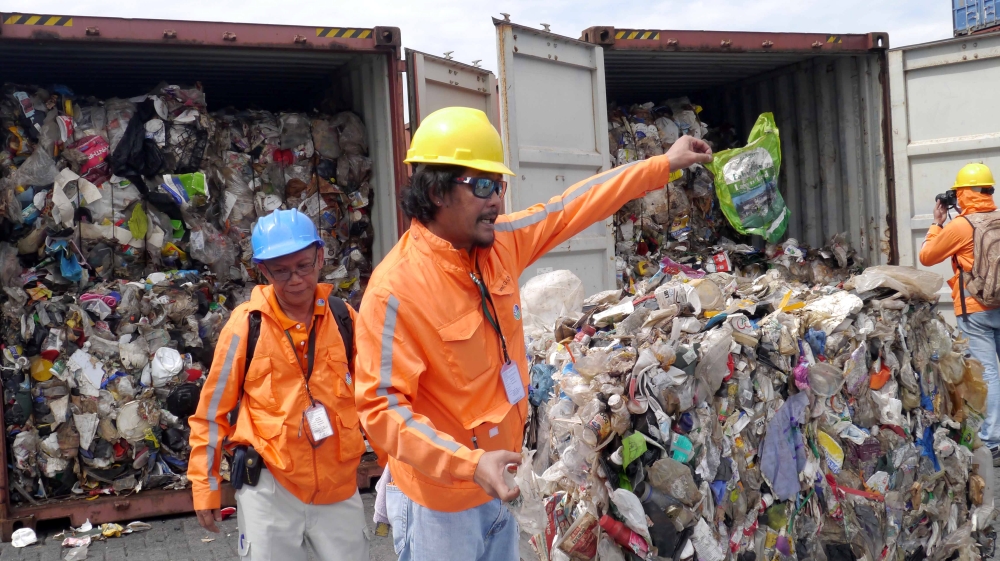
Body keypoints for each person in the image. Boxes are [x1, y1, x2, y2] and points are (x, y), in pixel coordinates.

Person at [354, 106, 712, 560]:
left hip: (504, 481)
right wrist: (469, 464)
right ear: (435, 191)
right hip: (439, 509)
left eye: (499, 186)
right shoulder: (396, 291)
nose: (496, 201)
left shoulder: (499, 243)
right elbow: (381, 410)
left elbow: (573, 206)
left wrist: (662, 164)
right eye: (482, 186)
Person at [188, 209, 371, 560]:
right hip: (270, 489)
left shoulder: (344, 318)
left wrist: (398, 471)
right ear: (264, 271)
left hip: (338, 486)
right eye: (281, 271)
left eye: (303, 266)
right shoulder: (245, 326)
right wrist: (204, 487)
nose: (295, 279)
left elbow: (376, 399)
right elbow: (211, 414)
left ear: (320, 257)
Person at [919, 163, 1000, 465]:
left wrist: (937, 223)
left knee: (988, 375)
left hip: (976, 310)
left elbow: (927, 256)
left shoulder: (961, 226)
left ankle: (992, 441)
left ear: (963, 193)